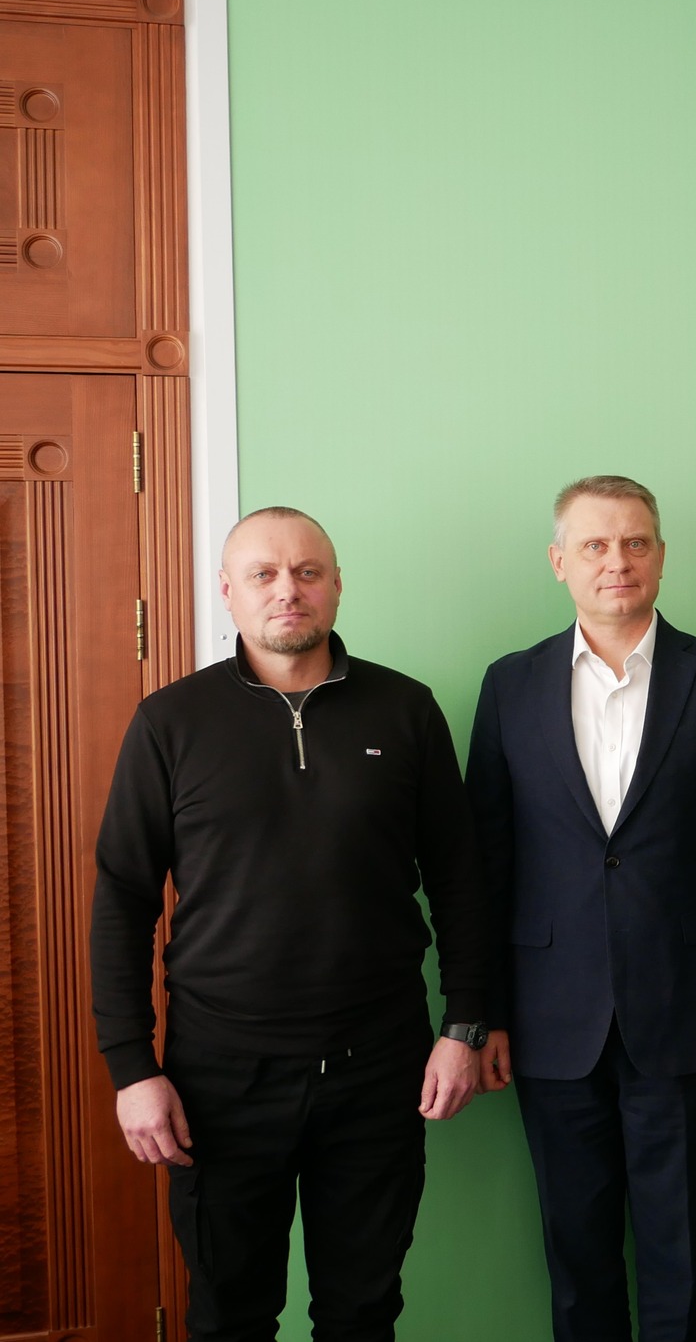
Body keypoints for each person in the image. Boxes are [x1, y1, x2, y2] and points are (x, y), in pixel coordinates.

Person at [89, 506, 496, 1342]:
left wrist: (463, 1026)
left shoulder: (406, 710)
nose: (288, 590)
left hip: (378, 1071)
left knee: (362, 1314)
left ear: (336, 585)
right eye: (265, 574)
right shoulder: (170, 722)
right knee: (230, 1317)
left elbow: (460, 881)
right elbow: (123, 898)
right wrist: (132, 1066)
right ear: (227, 591)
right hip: (218, 1079)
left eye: (308, 571)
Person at [466, 475, 696, 1342]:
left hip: (687, 1018)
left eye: (636, 542)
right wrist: (484, 1015)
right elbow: (485, 868)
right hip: (548, 1022)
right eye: (597, 544)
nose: (618, 560)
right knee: (577, 1261)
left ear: (661, 555)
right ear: (559, 560)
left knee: (678, 1254)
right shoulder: (509, 685)